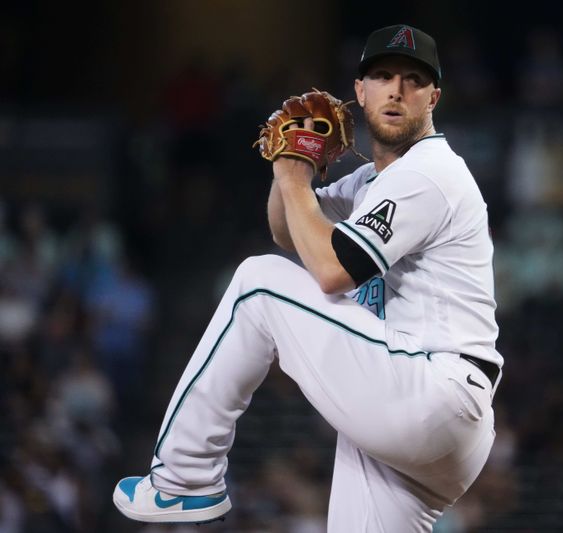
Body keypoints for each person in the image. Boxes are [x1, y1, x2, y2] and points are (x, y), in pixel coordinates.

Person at [112, 24, 503, 532]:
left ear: (434, 97)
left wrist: (295, 177)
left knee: (258, 284)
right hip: (425, 412)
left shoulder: (428, 172)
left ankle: (184, 480)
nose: (397, 89)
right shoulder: (371, 180)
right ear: (360, 92)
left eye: (413, 79)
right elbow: (287, 230)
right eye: (382, 75)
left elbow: (329, 270)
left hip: (432, 389)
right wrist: (290, 163)